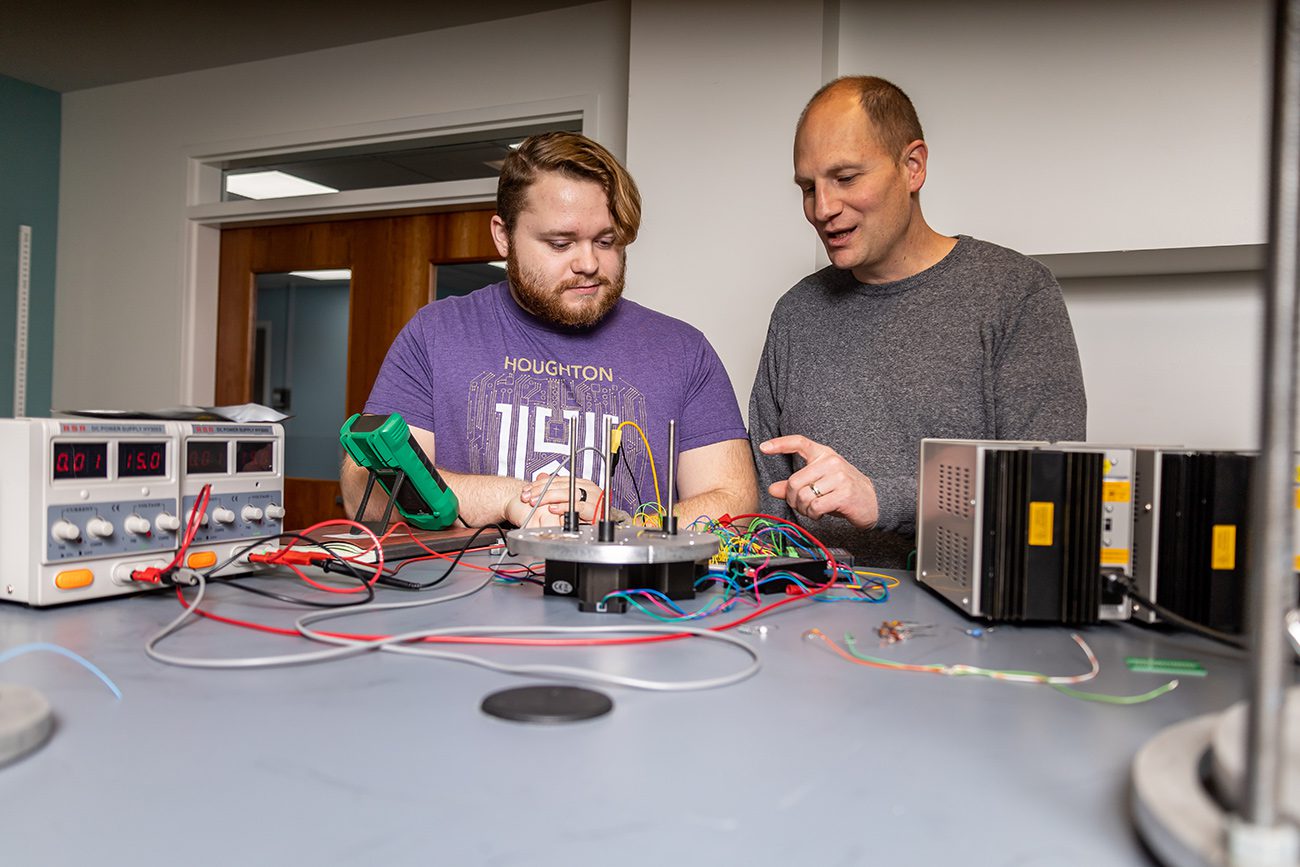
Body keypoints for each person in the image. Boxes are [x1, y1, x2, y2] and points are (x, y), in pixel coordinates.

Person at [749, 76, 1086, 567]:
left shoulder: (1014, 293)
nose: (823, 209)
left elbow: (1050, 487)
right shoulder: (795, 314)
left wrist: (880, 500)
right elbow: (768, 512)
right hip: (809, 613)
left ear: (912, 167)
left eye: (845, 179)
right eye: (808, 187)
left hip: (966, 620)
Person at [343, 131, 756, 528]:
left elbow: (734, 503)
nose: (589, 264)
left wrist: (622, 523)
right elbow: (367, 492)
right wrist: (509, 499)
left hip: (628, 598)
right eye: (561, 244)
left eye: (606, 241)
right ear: (503, 236)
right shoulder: (436, 335)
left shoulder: (682, 350)